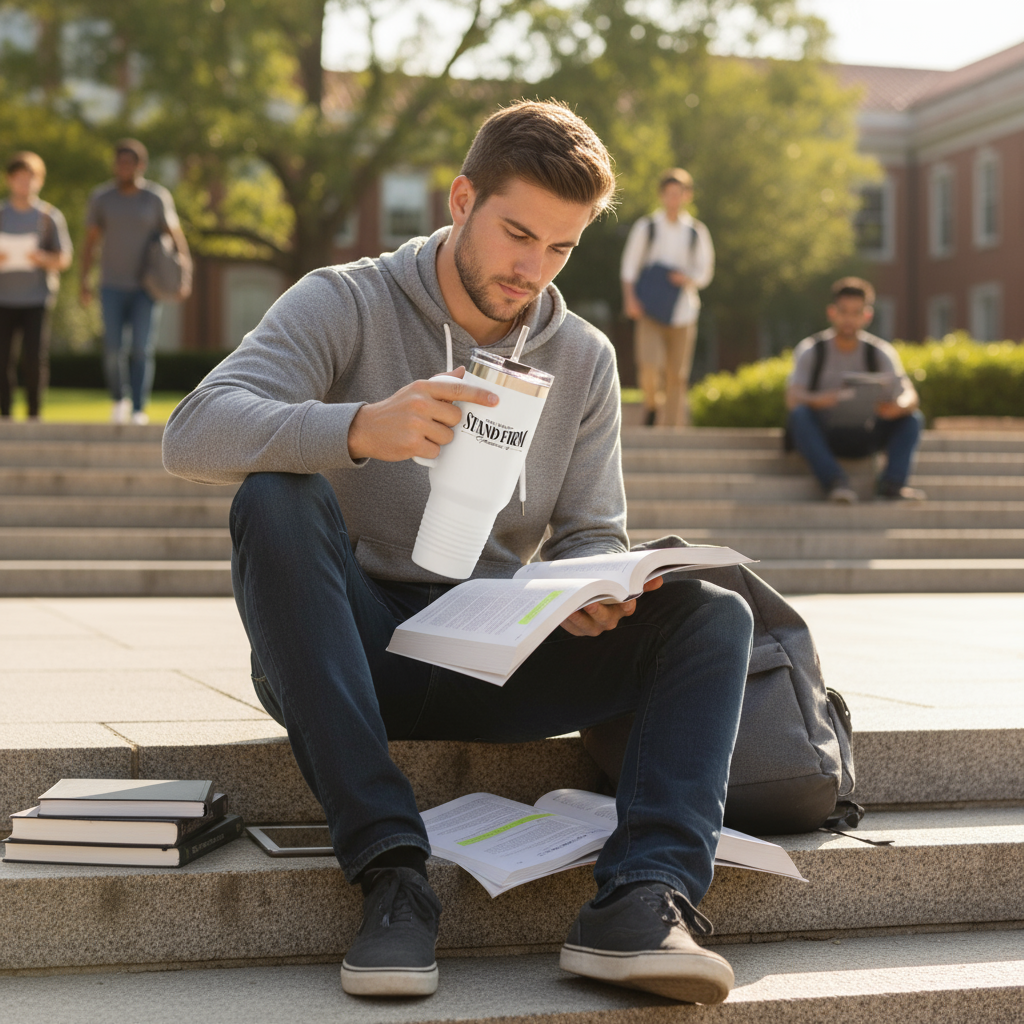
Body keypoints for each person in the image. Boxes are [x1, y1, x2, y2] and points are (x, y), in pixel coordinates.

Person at [163, 101, 752, 1005]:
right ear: (462, 197)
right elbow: (193, 432)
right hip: (347, 649)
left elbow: (594, 527)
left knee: (713, 615)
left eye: (561, 247)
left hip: (494, 648)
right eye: (519, 234)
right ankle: (393, 875)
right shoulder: (346, 300)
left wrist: (594, 586)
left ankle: (643, 898)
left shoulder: (584, 357)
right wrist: (360, 427)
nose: (533, 270)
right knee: (275, 496)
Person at [786, 277, 926, 503]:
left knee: (912, 419)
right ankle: (835, 482)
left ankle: (892, 486)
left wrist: (897, 407)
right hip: (826, 434)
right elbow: (793, 397)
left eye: (856, 312)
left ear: (867, 315)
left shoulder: (880, 352)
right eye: (844, 311)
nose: (849, 319)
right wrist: (820, 400)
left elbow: (910, 395)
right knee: (799, 416)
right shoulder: (811, 350)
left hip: (866, 432)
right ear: (832, 312)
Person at [80, 139, 189, 425]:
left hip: (146, 286)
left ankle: (139, 407)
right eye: (119, 162)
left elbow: (177, 238)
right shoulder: (101, 198)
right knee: (113, 350)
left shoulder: (156, 197)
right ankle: (119, 399)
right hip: (111, 284)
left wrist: (183, 275)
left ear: (140, 165)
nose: (123, 167)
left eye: (129, 162)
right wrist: (84, 280)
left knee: (141, 349)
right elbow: (90, 243)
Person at [620, 169, 714, 426]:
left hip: (683, 310)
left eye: (679, 193)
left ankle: (671, 430)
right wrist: (630, 299)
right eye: (669, 193)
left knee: (677, 375)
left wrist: (686, 279)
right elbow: (629, 266)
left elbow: (705, 272)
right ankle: (652, 404)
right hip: (649, 308)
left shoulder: (696, 231)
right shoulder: (647, 227)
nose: (674, 199)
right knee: (649, 365)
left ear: (687, 195)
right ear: (662, 195)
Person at [0, 152, 72, 420]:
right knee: (2, 360)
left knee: (33, 359)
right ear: (10, 180)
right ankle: (5, 414)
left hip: (36, 299)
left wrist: (42, 259)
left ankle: (34, 414)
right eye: (19, 178)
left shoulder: (48, 217)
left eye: (30, 178)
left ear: (39, 181)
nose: (24, 184)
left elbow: (64, 258)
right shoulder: (2, 215)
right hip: (3, 299)